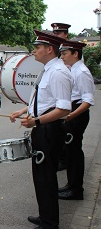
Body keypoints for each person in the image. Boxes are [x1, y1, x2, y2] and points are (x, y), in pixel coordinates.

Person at [10, 30, 71, 229]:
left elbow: (63, 109)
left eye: (37, 48)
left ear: (49, 49)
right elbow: (43, 101)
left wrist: (35, 121)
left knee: (45, 176)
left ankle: (49, 223)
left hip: (49, 130)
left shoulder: (58, 72)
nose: (33, 51)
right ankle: (46, 214)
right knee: (42, 176)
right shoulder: (48, 69)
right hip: (42, 128)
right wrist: (23, 111)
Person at [58, 40, 95, 200]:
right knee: (70, 152)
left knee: (74, 153)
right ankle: (71, 184)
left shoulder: (81, 72)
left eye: (65, 53)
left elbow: (87, 100)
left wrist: (71, 115)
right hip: (72, 112)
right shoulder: (74, 69)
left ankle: (76, 190)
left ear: (75, 54)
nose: (62, 56)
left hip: (77, 114)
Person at [51, 22, 71, 171]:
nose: (56, 35)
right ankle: (59, 158)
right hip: (57, 97)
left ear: (66, 35)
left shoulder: (71, 50)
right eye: (55, 33)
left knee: (67, 135)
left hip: (68, 98)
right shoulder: (56, 52)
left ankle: (64, 160)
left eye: (59, 33)